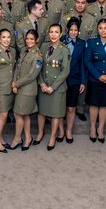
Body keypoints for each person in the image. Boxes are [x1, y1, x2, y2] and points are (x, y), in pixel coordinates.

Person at [36, 23, 70, 151]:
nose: (53, 35)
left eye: (56, 32)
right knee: (41, 112)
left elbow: (65, 71)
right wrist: (41, 83)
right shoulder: (44, 46)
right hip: (43, 85)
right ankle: (40, 133)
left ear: (61, 34)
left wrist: (52, 87)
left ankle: (52, 137)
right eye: (51, 32)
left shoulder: (65, 50)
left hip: (57, 88)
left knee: (56, 114)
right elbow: (37, 66)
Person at [10, 29, 43, 150]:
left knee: (18, 114)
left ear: (36, 40)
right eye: (27, 38)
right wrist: (14, 82)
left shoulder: (37, 56)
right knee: (25, 115)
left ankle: (17, 138)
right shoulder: (24, 51)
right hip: (20, 88)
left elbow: (31, 76)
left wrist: (16, 84)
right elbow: (17, 68)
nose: (29, 41)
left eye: (32, 39)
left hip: (28, 90)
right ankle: (28, 138)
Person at [60, 19, 87, 139]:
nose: (73, 32)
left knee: (71, 107)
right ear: (67, 29)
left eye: (76, 30)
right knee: (60, 107)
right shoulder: (60, 41)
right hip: (60, 80)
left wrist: (82, 81)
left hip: (75, 79)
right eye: (71, 30)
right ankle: (60, 131)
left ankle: (69, 131)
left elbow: (82, 64)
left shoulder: (82, 43)